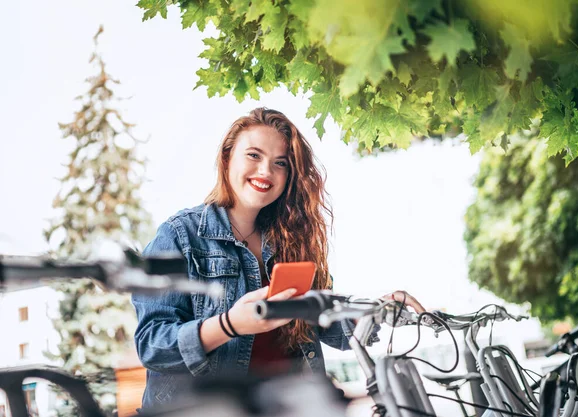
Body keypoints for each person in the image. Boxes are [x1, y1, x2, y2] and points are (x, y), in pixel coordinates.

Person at [132, 108, 426, 409]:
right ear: (227, 158)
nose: (265, 172)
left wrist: (378, 308)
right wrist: (231, 324)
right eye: (254, 156)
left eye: (280, 163)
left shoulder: (291, 239)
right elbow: (153, 345)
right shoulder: (180, 235)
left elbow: (324, 324)